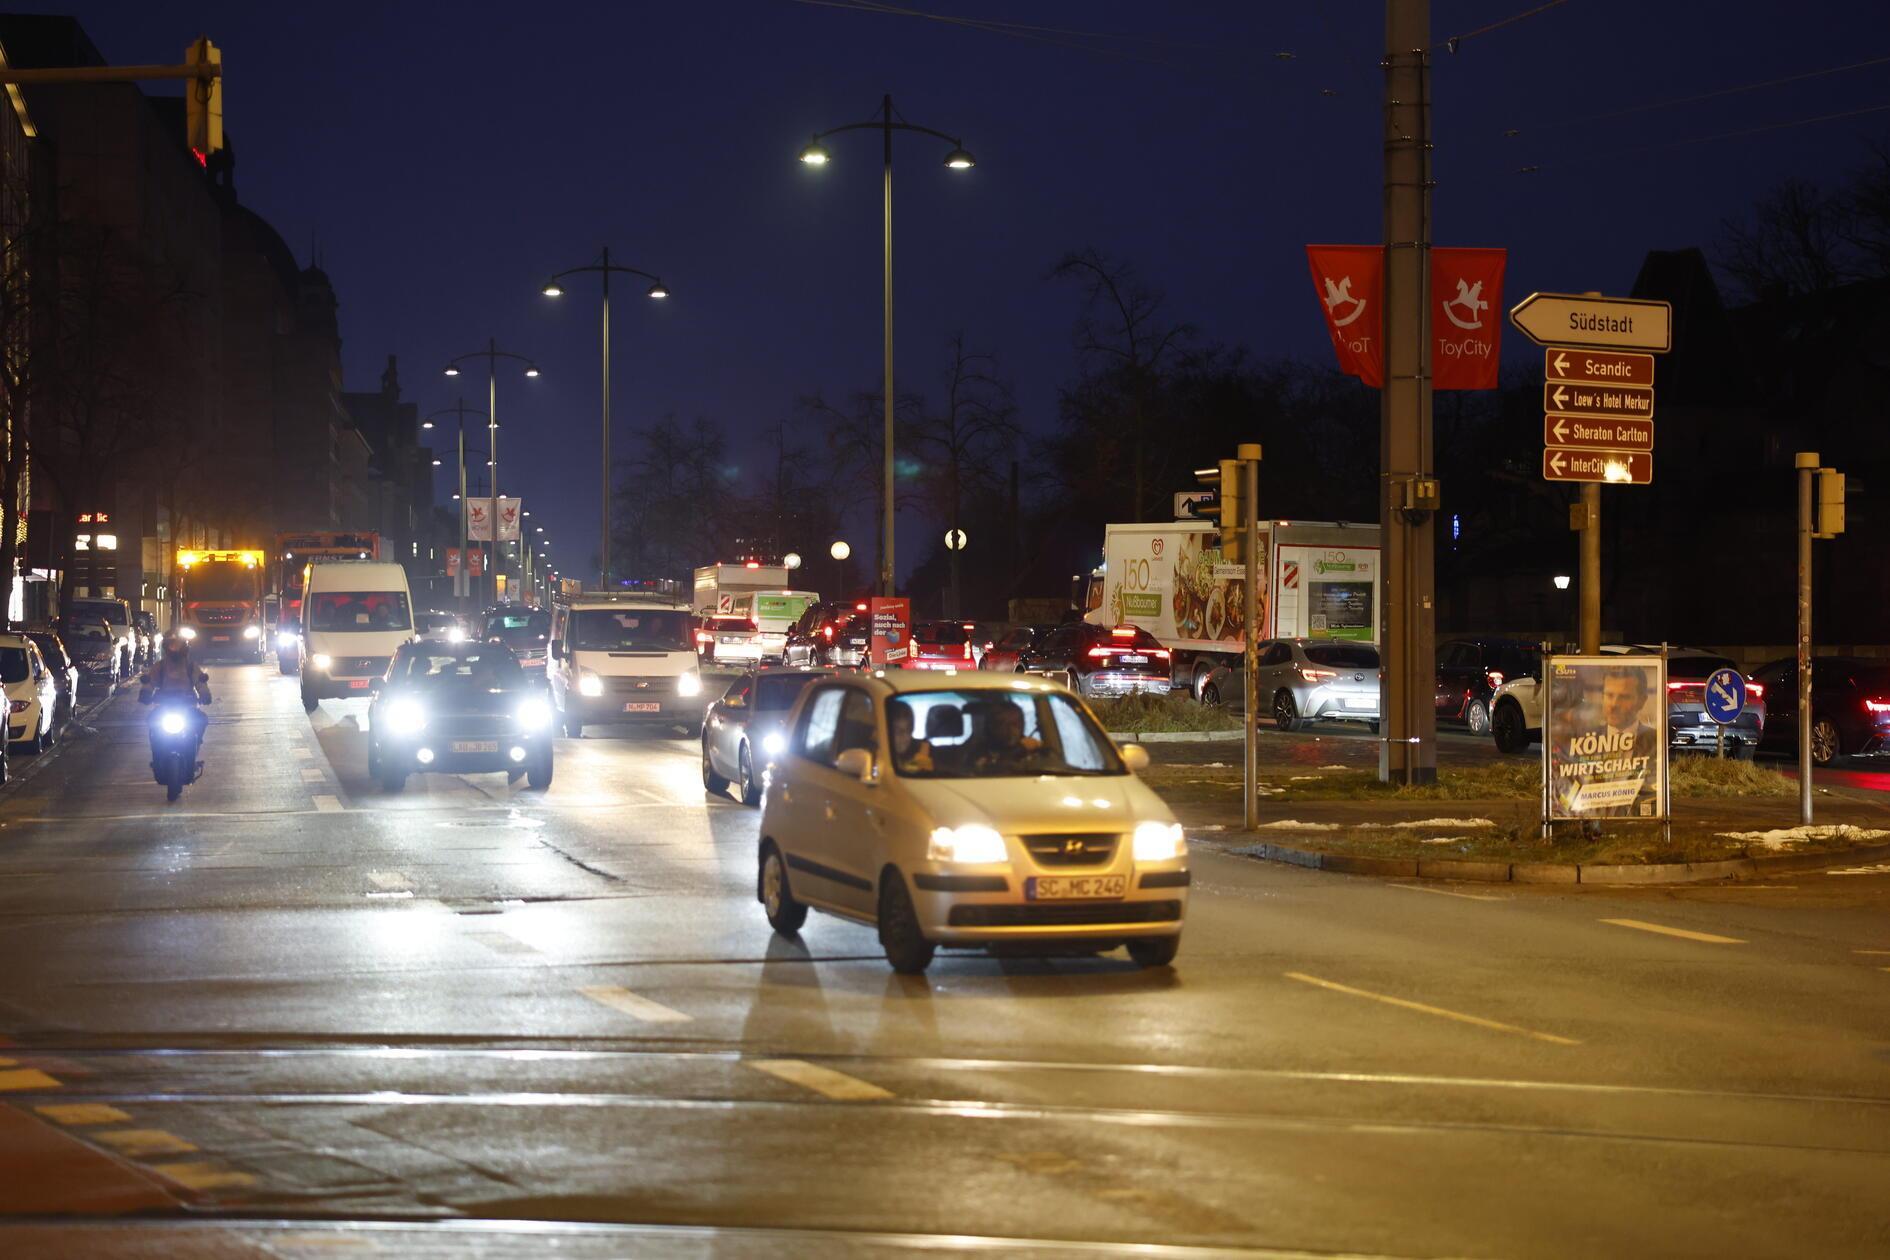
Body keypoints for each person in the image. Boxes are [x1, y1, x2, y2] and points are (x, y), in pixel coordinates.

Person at [139, 631, 212, 775]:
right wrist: (145, 693)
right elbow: (150, 681)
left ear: (184, 648)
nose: (175, 649)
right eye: (172, 646)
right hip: (164, 705)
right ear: (166, 647)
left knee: (201, 720)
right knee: (152, 721)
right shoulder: (159, 666)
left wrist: (205, 694)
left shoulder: (191, 666)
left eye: (177, 645)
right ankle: (157, 754)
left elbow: (200, 681)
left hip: (187, 705)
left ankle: (195, 748)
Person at [969, 701, 1043, 774]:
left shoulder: (1031, 747)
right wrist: (1020, 749)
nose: (1013, 729)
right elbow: (990, 773)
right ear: (993, 726)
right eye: (1005, 724)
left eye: (1017, 723)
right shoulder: (981, 750)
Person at [886, 700, 933, 773]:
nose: (904, 736)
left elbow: (923, 775)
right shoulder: (880, 752)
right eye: (898, 731)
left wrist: (922, 758)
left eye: (908, 730)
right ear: (886, 731)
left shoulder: (923, 750)